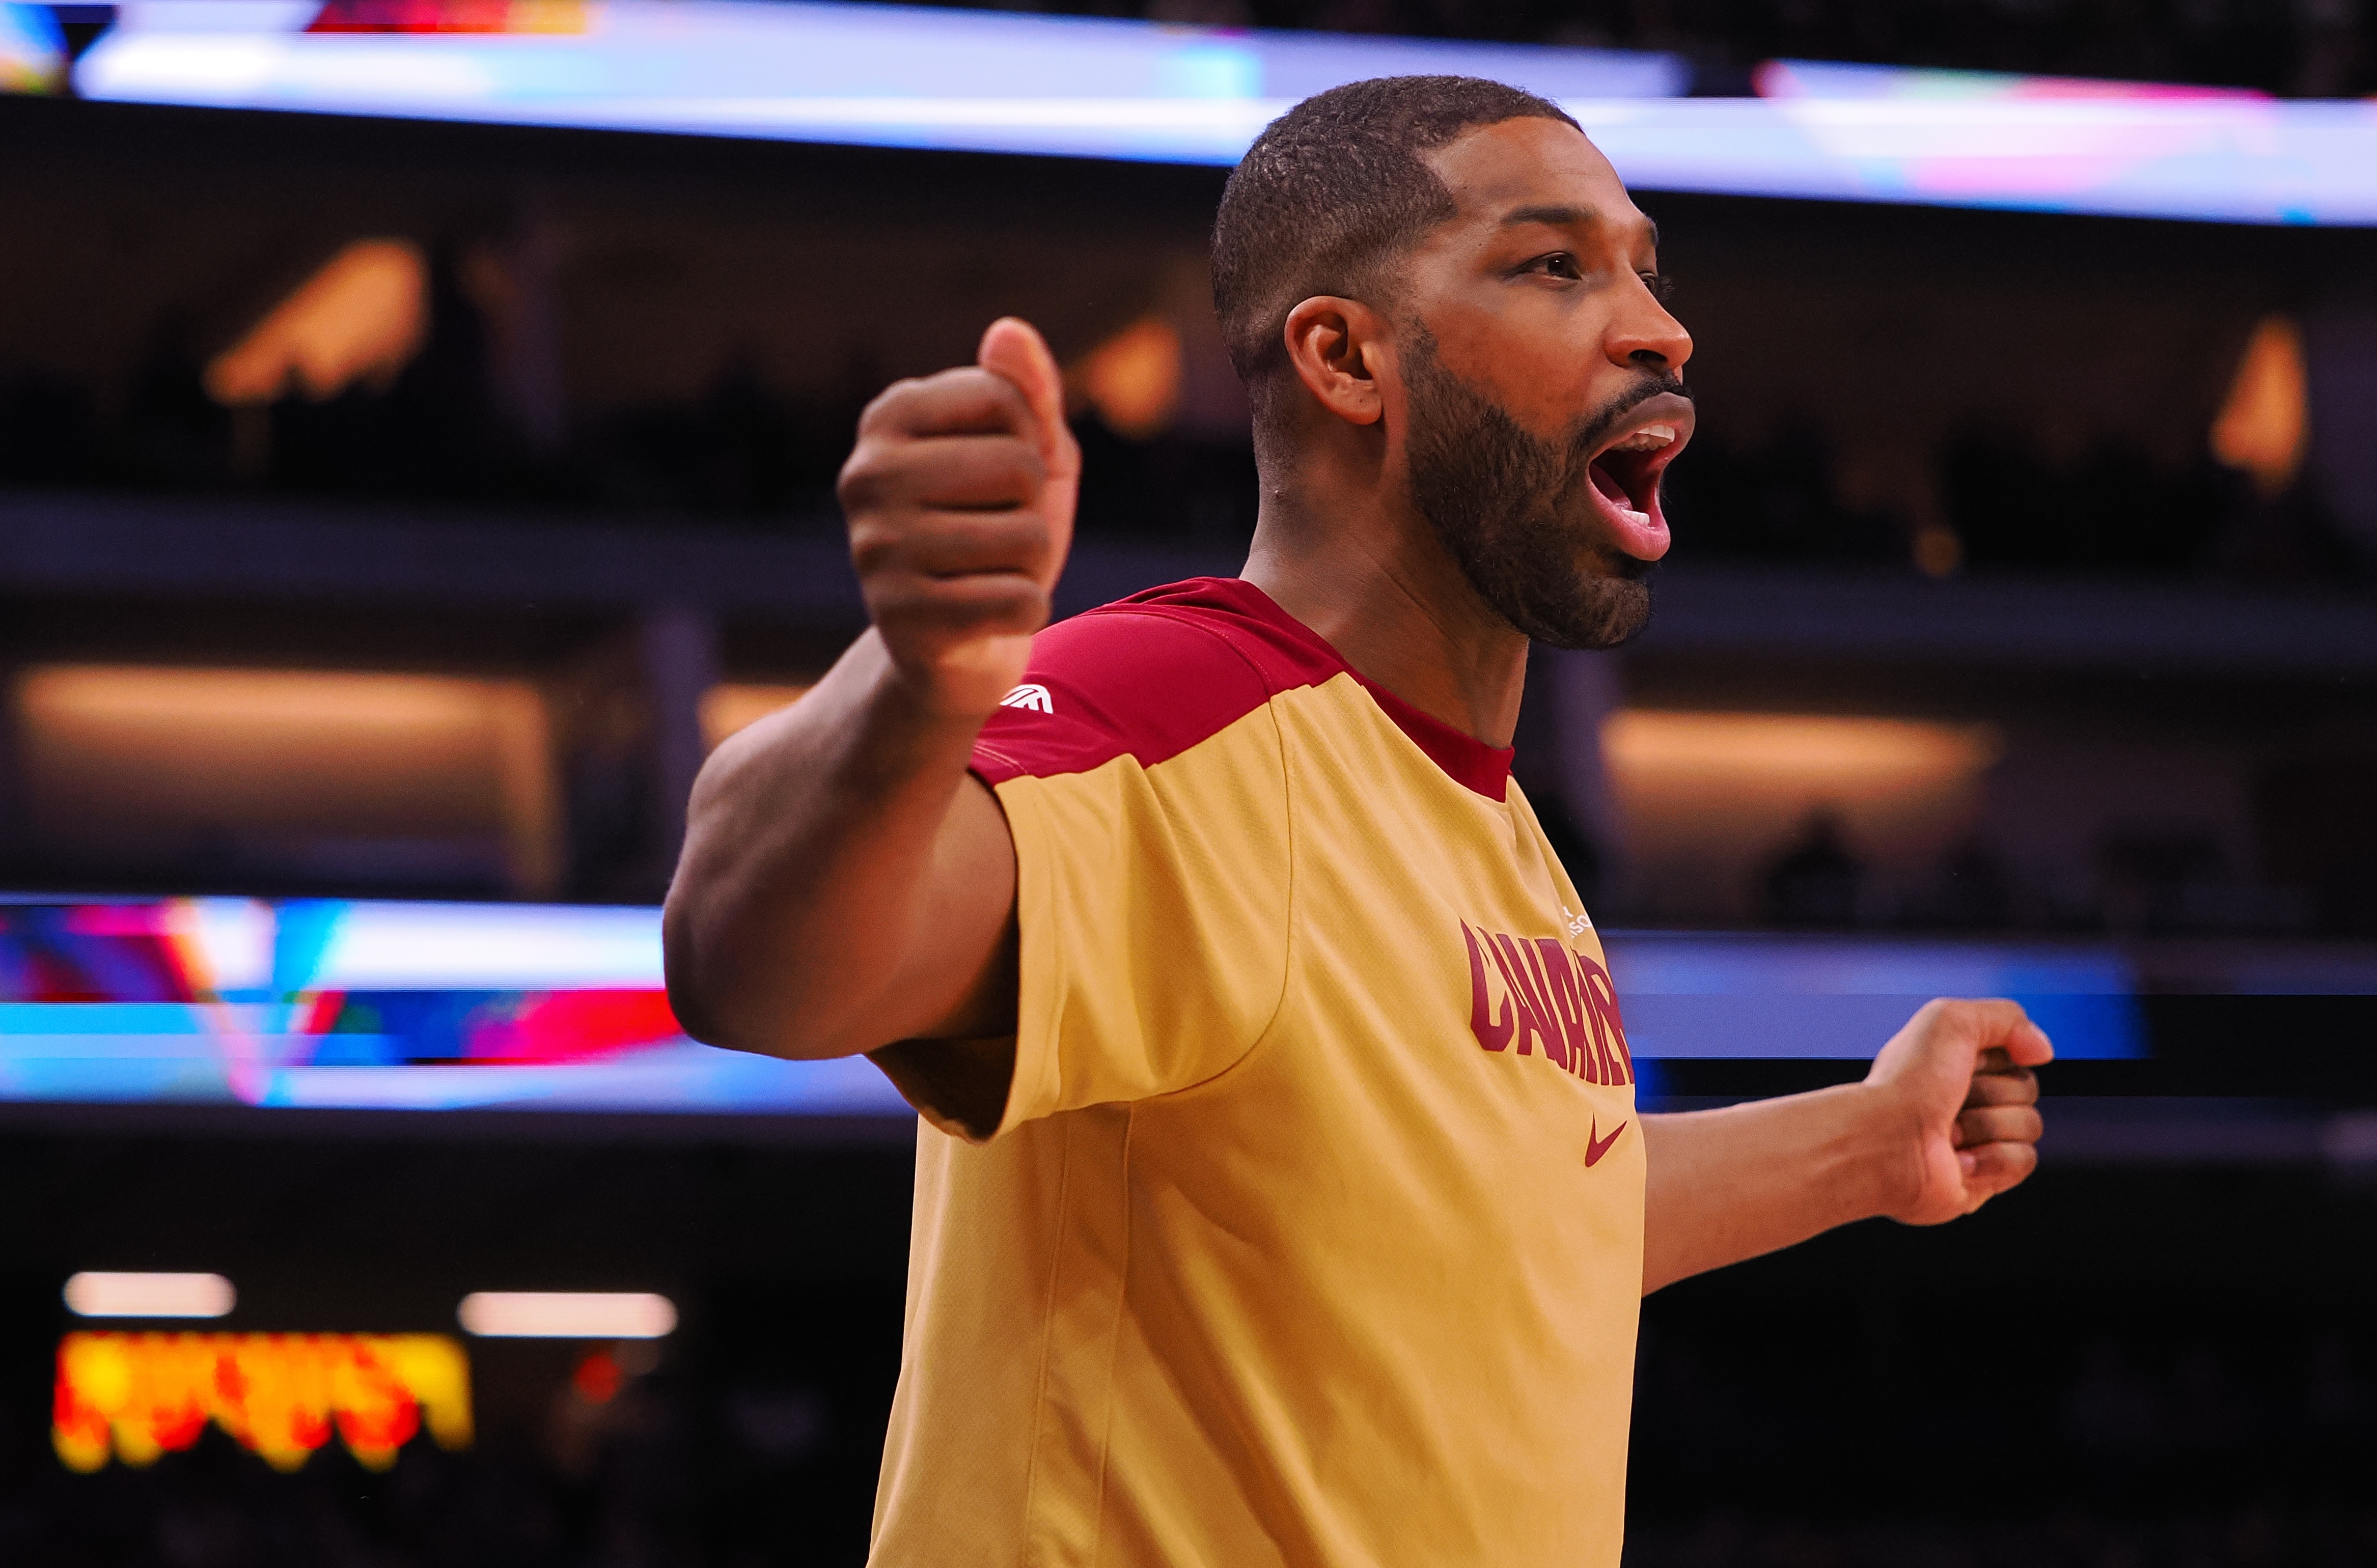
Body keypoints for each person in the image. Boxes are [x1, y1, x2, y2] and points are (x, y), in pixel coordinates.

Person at [663, 75, 2052, 1566]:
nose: (1661, 329)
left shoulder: (1495, 824)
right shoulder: (1181, 705)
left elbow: (1521, 1216)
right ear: (1344, 357)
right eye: (1556, 265)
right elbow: (755, 971)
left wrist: (1867, 1142)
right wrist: (909, 684)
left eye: (1648, 269)